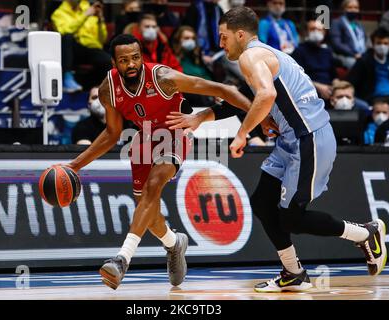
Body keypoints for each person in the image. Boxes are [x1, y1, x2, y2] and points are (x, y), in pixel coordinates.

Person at [168, 6, 387, 293]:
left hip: (309, 139)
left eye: (223, 37)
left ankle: (365, 233)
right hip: (290, 140)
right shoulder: (265, 54)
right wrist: (201, 117)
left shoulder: (250, 56)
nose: (220, 44)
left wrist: (243, 133)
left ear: (240, 34)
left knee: (292, 217)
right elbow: (245, 97)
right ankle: (294, 273)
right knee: (262, 202)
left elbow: (266, 95)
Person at [65, 34, 252, 290]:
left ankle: (122, 259)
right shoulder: (108, 88)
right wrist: (74, 166)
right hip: (144, 138)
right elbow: (111, 133)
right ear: (114, 62)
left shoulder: (163, 78)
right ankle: (174, 243)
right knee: (147, 209)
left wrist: (260, 116)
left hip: (174, 132)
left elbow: (224, 90)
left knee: (154, 186)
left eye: (135, 58)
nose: (131, 64)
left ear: (141, 56)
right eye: (123, 60)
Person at [51, 0, 112, 92]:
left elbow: (102, 39)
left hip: (90, 48)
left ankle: (93, 87)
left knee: (108, 61)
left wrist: (100, 20)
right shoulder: (58, 14)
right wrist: (85, 15)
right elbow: (64, 31)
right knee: (67, 37)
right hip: (70, 50)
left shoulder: (89, 8)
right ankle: (67, 78)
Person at [346, 28, 389, 104]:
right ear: (373, 44)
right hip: (372, 99)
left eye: (385, 43)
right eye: (379, 43)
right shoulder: (364, 61)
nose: (382, 46)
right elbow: (350, 82)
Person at [292, 20, 337, 101]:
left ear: (324, 33)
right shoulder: (299, 51)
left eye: (319, 30)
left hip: (330, 90)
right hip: (308, 91)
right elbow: (297, 78)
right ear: (306, 32)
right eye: (312, 29)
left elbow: (334, 75)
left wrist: (337, 86)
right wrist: (318, 87)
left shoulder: (327, 51)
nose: (316, 32)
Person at [172, 26, 215, 106]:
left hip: (204, 93)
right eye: (186, 38)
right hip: (187, 96)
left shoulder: (197, 57)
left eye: (192, 38)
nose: (190, 41)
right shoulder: (171, 58)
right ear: (178, 40)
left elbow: (207, 77)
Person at [329, 0, 367, 69]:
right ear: (344, 9)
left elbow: (365, 41)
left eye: (356, 8)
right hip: (344, 55)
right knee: (357, 65)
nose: (353, 10)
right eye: (350, 7)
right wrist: (353, 54)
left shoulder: (359, 25)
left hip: (360, 55)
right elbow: (337, 44)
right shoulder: (337, 22)